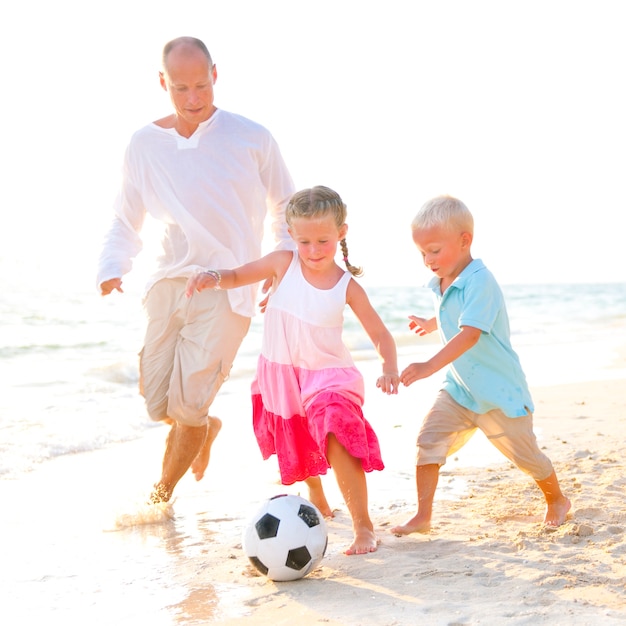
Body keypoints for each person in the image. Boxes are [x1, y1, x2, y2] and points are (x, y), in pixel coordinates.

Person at [97, 36, 296, 504]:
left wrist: (280, 263)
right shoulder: (144, 144)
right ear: (162, 82)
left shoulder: (252, 136)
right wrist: (112, 264)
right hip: (168, 280)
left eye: (201, 86)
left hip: (230, 285)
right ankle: (206, 427)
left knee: (185, 408)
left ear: (215, 76)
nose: (193, 99)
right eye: (180, 88)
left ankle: (161, 495)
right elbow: (127, 214)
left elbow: (285, 204)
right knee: (156, 403)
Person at [186, 185, 400, 555]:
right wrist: (214, 276)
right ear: (292, 237)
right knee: (301, 438)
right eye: (305, 242)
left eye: (323, 241)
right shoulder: (282, 264)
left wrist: (390, 365)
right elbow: (238, 275)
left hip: (329, 375)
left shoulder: (346, 285)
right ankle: (316, 492)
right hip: (283, 374)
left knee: (335, 430)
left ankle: (364, 527)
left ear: (341, 234)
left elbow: (379, 331)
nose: (314, 251)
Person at [391, 195, 571, 536]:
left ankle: (557, 499)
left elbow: (470, 334)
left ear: (464, 241)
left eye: (433, 250)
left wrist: (428, 365)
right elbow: (456, 312)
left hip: (497, 391)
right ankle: (422, 515)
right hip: (460, 389)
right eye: (422, 254)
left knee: (527, 456)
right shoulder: (445, 280)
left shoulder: (481, 281)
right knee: (428, 440)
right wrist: (432, 323)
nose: (427, 260)